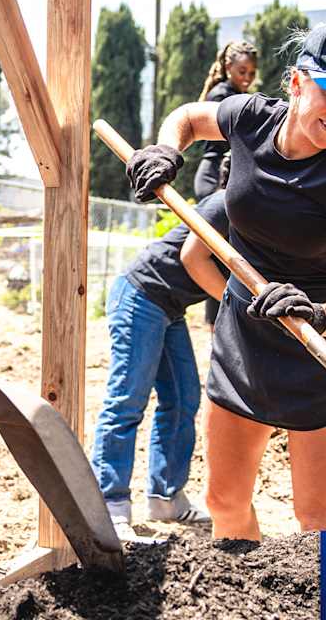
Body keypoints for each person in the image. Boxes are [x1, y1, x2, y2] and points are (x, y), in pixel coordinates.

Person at [126, 20, 326, 541]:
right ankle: (241, 587)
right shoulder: (251, 119)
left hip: (317, 348)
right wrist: (166, 150)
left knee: (317, 518)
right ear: (297, 82)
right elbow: (188, 118)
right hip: (243, 338)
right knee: (224, 502)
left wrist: (317, 313)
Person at [89, 191, 229, 540]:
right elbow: (192, 260)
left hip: (170, 307)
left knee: (183, 399)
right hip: (141, 294)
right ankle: (109, 504)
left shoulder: (260, 223)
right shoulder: (225, 203)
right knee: (126, 401)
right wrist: (241, 303)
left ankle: (166, 498)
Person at [192, 40, 257, 202]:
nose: (247, 78)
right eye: (242, 72)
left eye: (252, 73)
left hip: (230, 175)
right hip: (215, 176)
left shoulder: (241, 96)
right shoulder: (220, 96)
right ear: (228, 67)